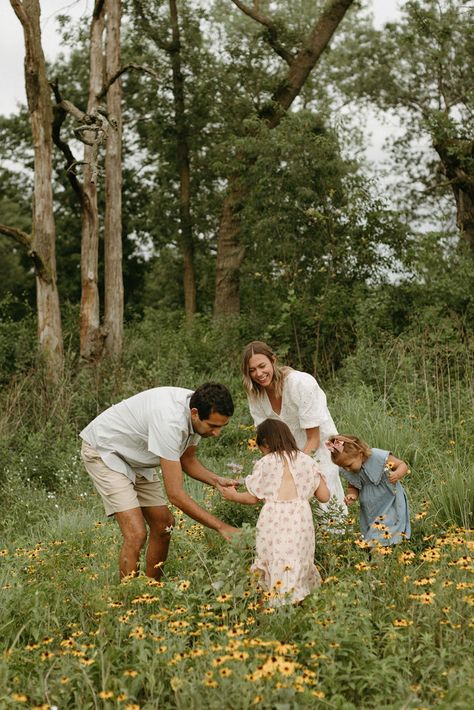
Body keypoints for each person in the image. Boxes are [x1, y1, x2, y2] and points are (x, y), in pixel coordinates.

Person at [80, 382, 239, 581]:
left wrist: (216, 481)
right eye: (213, 426)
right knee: (136, 534)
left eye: (222, 426)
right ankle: (129, 601)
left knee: (164, 525)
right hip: (106, 450)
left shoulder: (197, 410)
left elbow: (187, 460)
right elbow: (176, 495)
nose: (217, 433)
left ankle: (151, 591)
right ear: (195, 413)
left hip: (137, 456)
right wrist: (222, 527)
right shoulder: (170, 421)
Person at [222, 419, 330, 606]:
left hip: (273, 519)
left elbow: (252, 497)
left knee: (273, 557)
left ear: (265, 442)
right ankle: (297, 602)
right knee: (298, 557)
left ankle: (274, 604)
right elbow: (324, 496)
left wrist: (232, 496)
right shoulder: (307, 461)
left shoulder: (266, 462)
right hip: (300, 519)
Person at [241, 340, 346, 514]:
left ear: (273, 361)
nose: (258, 374)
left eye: (262, 366)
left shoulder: (300, 383)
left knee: (326, 505)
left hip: (319, 449)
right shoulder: (255, 395)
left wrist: (297, 468)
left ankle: (337, 539)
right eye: (252, 370)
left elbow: (314, 438)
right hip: (287, 456)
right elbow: (266, 441)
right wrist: (273, 470)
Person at [325, 434, 411, 546]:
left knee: (389, 527)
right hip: (371, 508)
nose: (347, 469)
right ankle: (382, 551)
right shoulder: (351, 469)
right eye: (344, 467)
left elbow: (402, 465)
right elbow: (353, 486)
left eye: (349, 465)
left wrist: (397, 474)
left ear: (360, 453)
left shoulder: (378, 457)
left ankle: (384, 553)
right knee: (374, 530)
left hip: (389, 500)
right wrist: (352, 495)